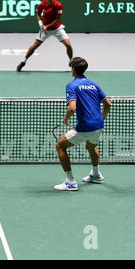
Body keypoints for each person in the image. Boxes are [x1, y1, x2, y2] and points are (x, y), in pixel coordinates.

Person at [54, 57, 112, 191]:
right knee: (91, 146)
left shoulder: (72, 85)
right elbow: (108, 104)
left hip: (85, 127)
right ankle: (96, 174)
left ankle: (70, 182)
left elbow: (72, 108)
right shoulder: (94, 84)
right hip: (99, 125)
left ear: (73, 69)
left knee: (60, 146)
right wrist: (101, 118)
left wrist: (65, 118)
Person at [17, 0, 73, 71]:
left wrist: (47, 26)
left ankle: (71, 61)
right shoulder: (41, 5)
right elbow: (38, 14)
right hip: (45, 30)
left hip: (57, 28)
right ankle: (23, 62)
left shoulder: (58, 5)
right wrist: (41, 24)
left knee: (68, 44)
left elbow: (58, 19)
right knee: (35, 45)